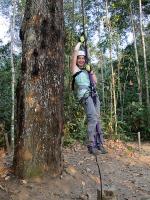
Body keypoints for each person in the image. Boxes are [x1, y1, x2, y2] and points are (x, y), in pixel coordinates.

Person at [71, 41, 107, 155]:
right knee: (93, 118)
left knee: (97, 120)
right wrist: (80, 43)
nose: (81, 60)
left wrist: (90, 71)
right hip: (85, 96)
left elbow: (95, 81)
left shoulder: (87, 70)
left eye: (83, 58)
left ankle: (99, 144)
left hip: (94, 95)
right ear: (76, 60)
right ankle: (91, 145)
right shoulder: (75, 69)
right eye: (79, 58)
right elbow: (74, 52)